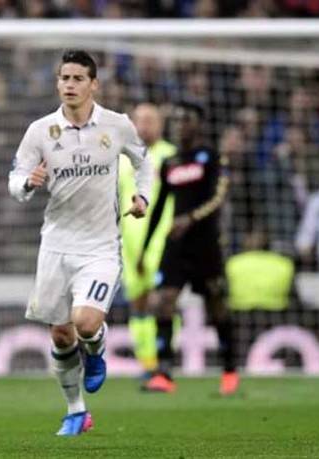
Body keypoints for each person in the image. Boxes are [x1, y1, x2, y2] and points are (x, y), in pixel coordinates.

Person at [8, 50, 152, 436]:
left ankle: (97, 344)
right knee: (59, 333)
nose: (69, 85)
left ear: (94, 84)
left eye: (77, 78)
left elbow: (144, 161)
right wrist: (27, 184)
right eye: (64, 78)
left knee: (85, 322)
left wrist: (142, 197)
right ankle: (76, 411)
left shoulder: (116, 125)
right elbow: (16, 178)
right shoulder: (40, 131)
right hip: (56, 244)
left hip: (101, 245)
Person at [138, 102, 239, 395]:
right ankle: (164, 373)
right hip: (176, 244)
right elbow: (158, 208)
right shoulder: (171, 161)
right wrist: (145, 249)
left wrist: (190, 218)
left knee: (216, 305)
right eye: (178, 120)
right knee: (162, 301)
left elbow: (219, 197)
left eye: (186, 120)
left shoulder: (212, 157)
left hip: (206, 243)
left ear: (199, 124)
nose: (180, 125)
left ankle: (230, 372)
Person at [119, 103, 176, 377]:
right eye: (139, 120)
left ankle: (163, 359)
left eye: (150, 120)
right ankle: (147, 362)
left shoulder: (171, 156)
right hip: (129, 245)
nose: (144, 125)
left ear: (160, 124)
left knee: (161, 301)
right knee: (138, 304)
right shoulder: (121, 158)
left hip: (161, 244)